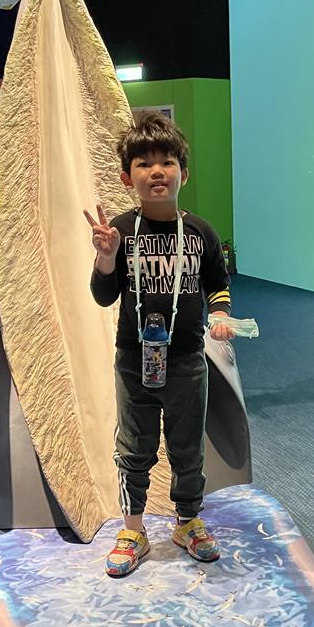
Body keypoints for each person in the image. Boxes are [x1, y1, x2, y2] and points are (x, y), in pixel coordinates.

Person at [88, 111, 235, 577]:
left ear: (183, 173)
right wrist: (106, 258)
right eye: (144, 163)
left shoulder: (201, 232)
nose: (157, 171)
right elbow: (103, 295)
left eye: (167, 162)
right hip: (134, 361)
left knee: (187, 448)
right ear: (126, 176)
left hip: (187, 360)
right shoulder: (119, 231)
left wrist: (220, 314)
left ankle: (187, 522)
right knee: (135, 448)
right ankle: (133, 530)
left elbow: (218, 283)